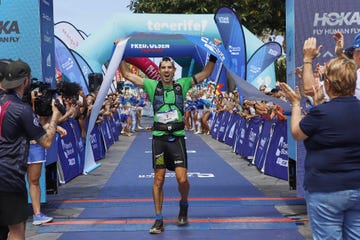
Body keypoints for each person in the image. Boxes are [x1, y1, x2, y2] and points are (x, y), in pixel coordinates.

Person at [120, 55, 217, 234]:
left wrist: (213, 54)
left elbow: (207, 72)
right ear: (159, 71)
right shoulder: (151, 85)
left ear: (173, 71)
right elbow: (126, 74)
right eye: (163, 67)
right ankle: (158, 220)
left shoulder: (182, 84)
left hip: (177, 138)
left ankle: (184, 203)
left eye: (169, 68)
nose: (166, 70)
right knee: (159, 179)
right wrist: (120, 52)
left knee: (182, 179)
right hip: (159, 139)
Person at [280, 43, 360, 239]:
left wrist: (296, 104)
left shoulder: (321, 113)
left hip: (325, 189)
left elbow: (297, 133)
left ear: (329, 86)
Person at [0, 60, 63, 240]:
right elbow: (46, 141)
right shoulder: (21, 109)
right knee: (17, 231)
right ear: (26, 81)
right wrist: (56, 116)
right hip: (8, 176)